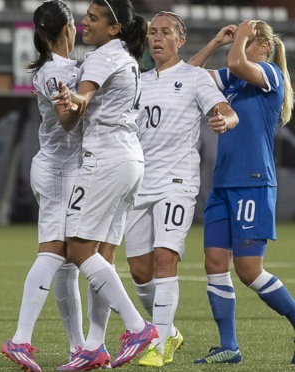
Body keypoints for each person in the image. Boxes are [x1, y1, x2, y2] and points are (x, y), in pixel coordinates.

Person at [124, 11, 238, 368]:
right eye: (152, 32)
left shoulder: (195, 78)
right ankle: (169, 330)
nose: (156, 38)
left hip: (177, 183)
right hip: (140, 184)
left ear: (180, 38)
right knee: (139, 271)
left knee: (164, 260)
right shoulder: (138, 81)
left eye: (165, 32)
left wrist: (225, 119)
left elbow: (225, 109)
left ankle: (157, 345)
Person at [53, 0, 158, 369]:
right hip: (130, 158)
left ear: (114, 28)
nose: (85, 22)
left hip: (105, 158)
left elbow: (85, 96)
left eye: (94, 18)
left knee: (78, 249)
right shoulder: (126, 56)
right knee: (105, 255)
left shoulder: (100, 56)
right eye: (86, 16)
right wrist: (74, 103)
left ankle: (138, 327)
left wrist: (73, 99)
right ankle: (94, 346)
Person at [188, 19, 295, 364]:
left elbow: (236, 62)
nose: (239, 45)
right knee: (215, 263)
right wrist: (217, 41)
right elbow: (188, 76)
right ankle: (229, 346)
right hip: (223, 185)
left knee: (249, 270)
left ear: (262, 45)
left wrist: (244, 35)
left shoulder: (270, 75)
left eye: (247, 41)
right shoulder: (234, 80)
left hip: (253, 181)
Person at [0, 2, 86, 371]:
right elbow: (68, 121)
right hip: (58, 170)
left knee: (67, 266)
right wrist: (88, 94)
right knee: (52, 253)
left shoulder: (62, 68)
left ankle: (79, 347)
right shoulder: (55, 71)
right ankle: (20, 339)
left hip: (63, 168)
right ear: (68, 28)